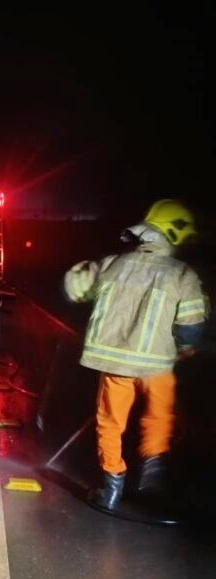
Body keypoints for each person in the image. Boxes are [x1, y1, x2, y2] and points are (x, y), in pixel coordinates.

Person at [63, 199, 209, 512]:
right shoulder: (182, 274)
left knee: (110, 422)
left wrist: (83, 274)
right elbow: (191, 328)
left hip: (115, 362)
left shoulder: (113, 263)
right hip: (157, 365)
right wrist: (185, 349)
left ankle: (111, 488)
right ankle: (152, 475)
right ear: (176, 234)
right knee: (159, 414)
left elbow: (77, 288)